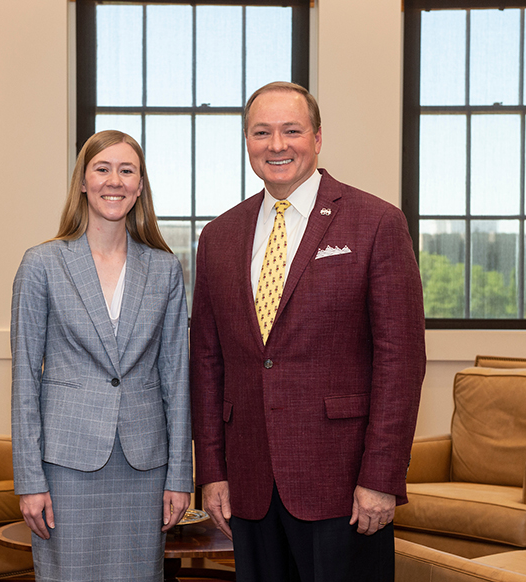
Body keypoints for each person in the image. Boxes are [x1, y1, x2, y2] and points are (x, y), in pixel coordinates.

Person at [190, 82, 426, 582]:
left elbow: (399, 362)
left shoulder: (376, 223)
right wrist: (211, 472)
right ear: (247, 142)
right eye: (262, 132)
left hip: (343, 486)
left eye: (291, 130)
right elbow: (207, 363)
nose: (277, 145)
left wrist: (381, 477)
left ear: (317, 138)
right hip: (249, 484)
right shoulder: (218, 237)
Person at [11, 130, 192, 581]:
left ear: (140, 186)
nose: (115, 181)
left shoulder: (165, 268)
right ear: (83, 183)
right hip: (66, 465)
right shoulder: (42, 264)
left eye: (127, 170)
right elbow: (25, 380)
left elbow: (176, 377)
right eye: (103, 168)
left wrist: (180, 476)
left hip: (144, 465)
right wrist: (29, 480)